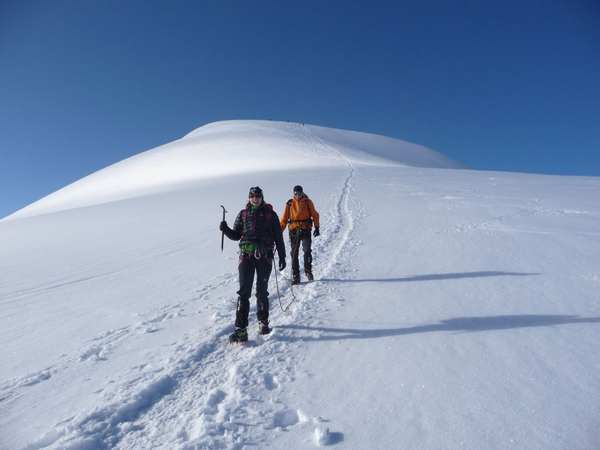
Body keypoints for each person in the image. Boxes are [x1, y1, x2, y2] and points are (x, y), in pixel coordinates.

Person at [220, 186, 286, 343]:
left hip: (264, 257)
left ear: (262, 197)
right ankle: (241, 330)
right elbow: (236, 235)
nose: (255, 198)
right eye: (252, 196)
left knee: (262, 291)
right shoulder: (243, 214)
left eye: (257, 196)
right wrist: (226, 229)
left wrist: (282, 256)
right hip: (246, 257)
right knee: (244, 293)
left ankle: (263, 323)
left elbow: (278, 236)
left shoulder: (271, 215)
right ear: (249, 198)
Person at [280, 185, 320, 284]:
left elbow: (315, 214)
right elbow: (284, 219)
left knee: (307, 250)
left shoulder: (307, 202)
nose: (298, 195)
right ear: (293, 193)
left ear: (302, 192)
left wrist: (317, 227)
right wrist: (279, 231)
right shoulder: (289, 203)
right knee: (294, 253)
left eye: (299, 193)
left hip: (305, 228)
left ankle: (308, 270)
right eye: (296, 193)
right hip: (293, 230)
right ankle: (296, 275)